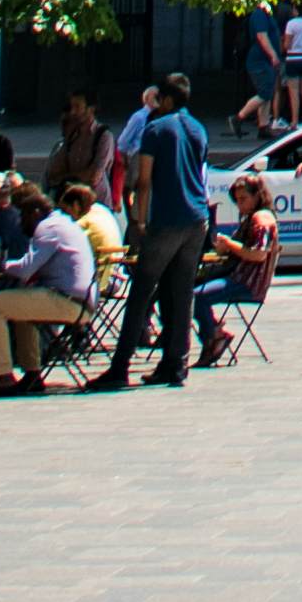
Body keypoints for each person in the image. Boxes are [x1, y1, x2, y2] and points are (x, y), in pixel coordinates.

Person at [95, 85, 215, 394]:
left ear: (169, 99)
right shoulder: (198, 128)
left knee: (142, 291)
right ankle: (176, 364)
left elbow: (144, 179)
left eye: (159, 99)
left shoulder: (156, 129)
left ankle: (120, 367)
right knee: (181, 291)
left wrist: (140, 220)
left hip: (167, 218)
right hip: (198, 217)